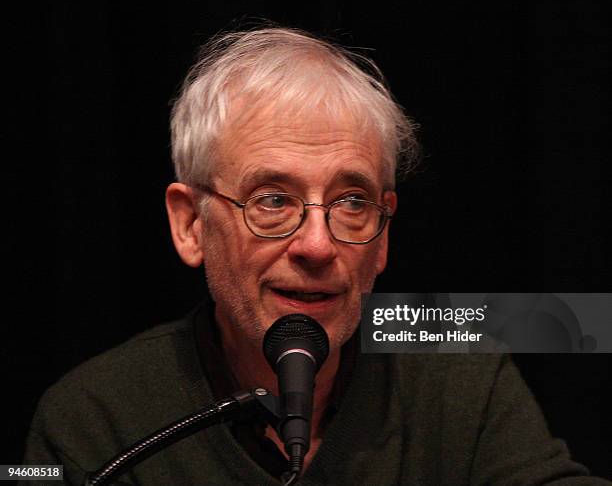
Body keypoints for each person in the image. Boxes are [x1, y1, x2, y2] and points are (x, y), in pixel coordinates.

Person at [24, 26, 609, 485]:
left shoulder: (458, 367)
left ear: (382, 236)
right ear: (190, 225)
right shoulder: (96, 415)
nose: (318, 245)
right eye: (272, 200)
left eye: (351, 201)